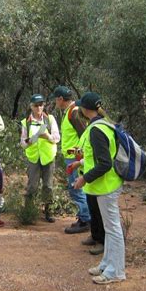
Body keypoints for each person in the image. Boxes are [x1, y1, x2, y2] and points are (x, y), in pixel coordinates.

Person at [73, 92, 125, 285]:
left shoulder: (96, 129)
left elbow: (104, 164)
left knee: (112, 229)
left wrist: (83, 179)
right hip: (106, 185)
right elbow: (101, 157)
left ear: (85, 110)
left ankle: (116, 271)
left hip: (106, 186)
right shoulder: (104, 124)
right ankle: (106, 264)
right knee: (110, 228)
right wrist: (80, 164)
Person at [51, 86, 91, 234]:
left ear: (61, 99)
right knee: (77, 188)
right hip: (72, 157)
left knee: (77, 188)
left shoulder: (73, 113)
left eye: (56, 99)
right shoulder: (70, 111)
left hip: (75, 158)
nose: (55, 102)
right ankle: (84, 218)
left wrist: (80, 157)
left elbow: (84, 136)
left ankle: (85, 220)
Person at [20, 94, 60, 223]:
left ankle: (48, 212)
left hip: (48, 157)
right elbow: (22, 143)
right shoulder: (26, 122)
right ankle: (28, 212)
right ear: (31, 106)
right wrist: (29, 142)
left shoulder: (50, 119)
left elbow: (57, 138)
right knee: (32, 186)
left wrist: (47, 136)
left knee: (48, 186)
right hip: (33, 158)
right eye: (36, 105)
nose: (39, 107)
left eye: (41, 105)